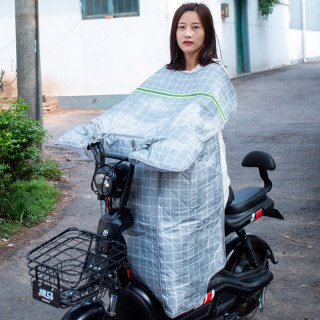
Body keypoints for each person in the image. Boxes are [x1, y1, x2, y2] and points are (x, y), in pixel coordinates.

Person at [57, 3, 237, 318]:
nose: (188, 33)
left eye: (195, 27)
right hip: (154, 174)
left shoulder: (214, 75)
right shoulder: (164, 74)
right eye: (182, 26)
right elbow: (131, 111)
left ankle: (195, 301)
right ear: (174, 32)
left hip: (197, 176)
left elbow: (193, 122)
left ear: (207, 32)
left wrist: (167, 146)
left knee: (180, 243)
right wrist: (97, 130)